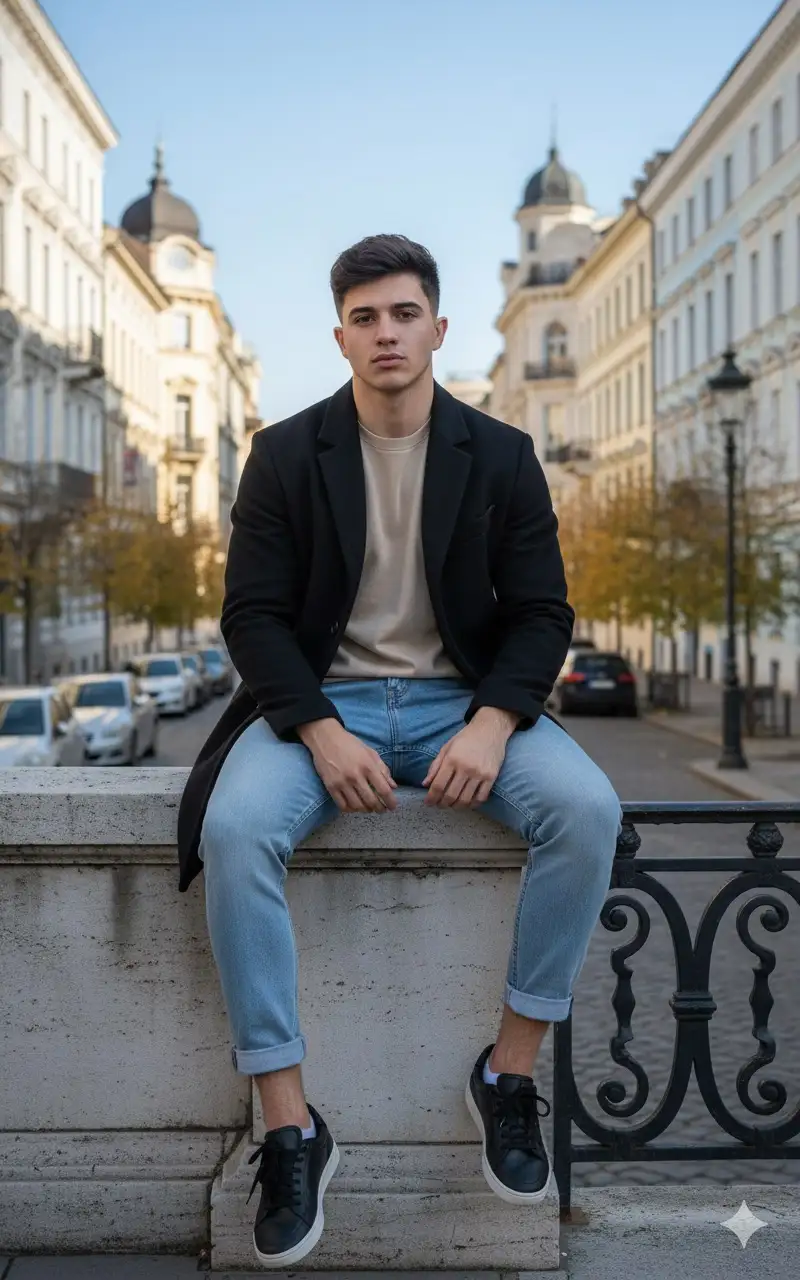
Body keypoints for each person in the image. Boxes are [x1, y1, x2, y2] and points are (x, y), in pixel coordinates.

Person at [177, 234, 621, 1268]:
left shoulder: (500, 453)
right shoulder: (286, 452)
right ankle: (288, 1123)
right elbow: (251, 617)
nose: (386, 332)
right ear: (340, 335)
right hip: (318, 706)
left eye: (404, 313)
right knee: (235, 828)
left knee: (589, 808)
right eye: (366, 317)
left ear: (437, 327)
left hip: (458, 706)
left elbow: (542, 612)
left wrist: (495, 718)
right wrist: (319, 728)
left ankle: (507, 1076)